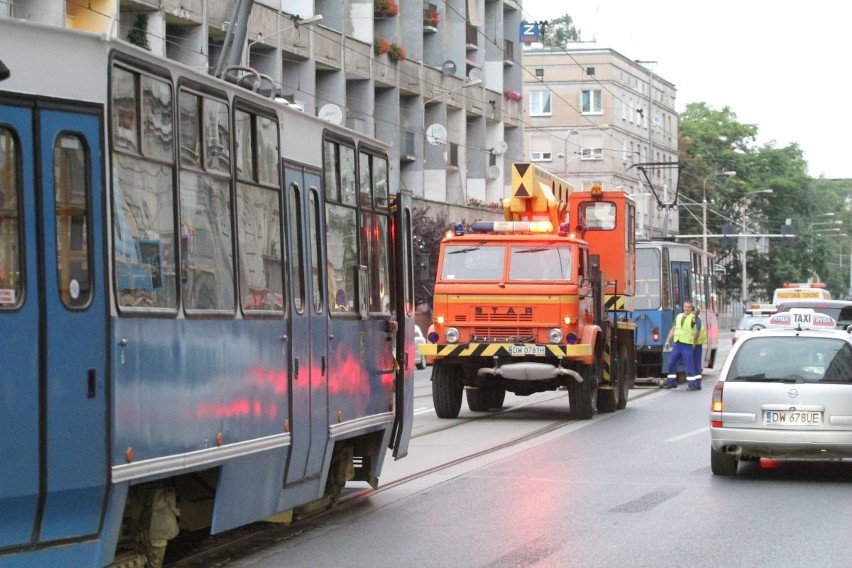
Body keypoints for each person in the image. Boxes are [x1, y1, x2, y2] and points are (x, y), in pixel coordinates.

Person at [662, 300, 701, 390]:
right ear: (683, 307)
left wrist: (694, 343)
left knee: (689, 365)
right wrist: (668, 340)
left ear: (691, 308)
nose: (687, 308)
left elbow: (696, 325)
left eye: (689, 307)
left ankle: (692, 385)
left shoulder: (693, 318)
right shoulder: (678, 316)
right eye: (685, 306)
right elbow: (673, 329)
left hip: (687, 345)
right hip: (677, 344)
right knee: (671, 363)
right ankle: (671, 383)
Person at [692, 307, 708, 386]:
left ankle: (697, 383)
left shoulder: (696, 318)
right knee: (696, 363)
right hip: (697, 343)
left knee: (695, 363)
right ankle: (696, 382)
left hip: (695, 343)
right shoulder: (697, 317)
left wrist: (694, 344)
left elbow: (697, 333)